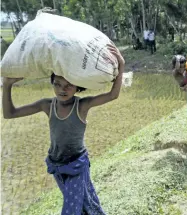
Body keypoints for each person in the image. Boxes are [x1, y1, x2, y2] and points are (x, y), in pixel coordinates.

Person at [2, 44, 125, 215]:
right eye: (58, 84)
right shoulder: (47, 105)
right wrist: (7, 85)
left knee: (71, 209)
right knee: (85, 202)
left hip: (77, 164)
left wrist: (121, 64)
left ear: (77, 87)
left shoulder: (82, 106)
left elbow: (113, 95)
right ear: (52, 84)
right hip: (56, 164)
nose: (62, 90)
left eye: (68, 85)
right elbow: (10, 113)